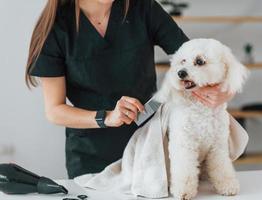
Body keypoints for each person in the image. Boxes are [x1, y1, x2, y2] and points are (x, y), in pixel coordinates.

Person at [25, 0, 235, 179]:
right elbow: (54, 110)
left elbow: (193, 60)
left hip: (151, 149)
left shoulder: (142, 7)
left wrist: (223, 91)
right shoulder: (56, 28)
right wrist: (106, 117)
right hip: (92, 160)